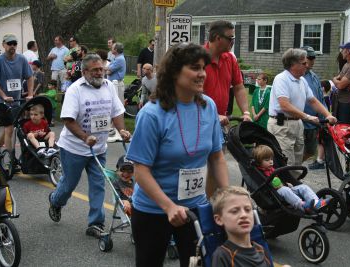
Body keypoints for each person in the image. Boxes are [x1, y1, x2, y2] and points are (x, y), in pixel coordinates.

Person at [126, 43, 229, 267]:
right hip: (153, 209)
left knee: (197, 263)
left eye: (203, 67)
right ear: (174, 72)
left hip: (195, 207)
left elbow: (217, 157)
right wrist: (168, 206)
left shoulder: (208, 106)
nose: (202, 73)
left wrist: (228, 196)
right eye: (194, 67)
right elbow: (141, 171)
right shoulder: (152, 114)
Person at [48, 54, 131, 239]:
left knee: (98, 184)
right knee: (69, 184)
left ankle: (95, 223)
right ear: (85, 72)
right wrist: (85, 137)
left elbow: (117, 112)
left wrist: (122, 131)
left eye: (101, 69)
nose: (100, 72)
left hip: (99, 148)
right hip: (74, 148)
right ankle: (55, 200)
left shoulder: (108, 86)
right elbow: (68, 120)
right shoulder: (75, 90)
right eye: (95, 70)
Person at [203, 20, 251, 198]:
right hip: (198, 120)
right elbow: (192, 93)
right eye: (230, 38)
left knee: (216, 165)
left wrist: (245, 112)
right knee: (191, 168)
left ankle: (210, 205)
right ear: (217, 38)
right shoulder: (199, 57)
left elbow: (238, 87)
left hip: (220, 122)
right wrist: (213, 114)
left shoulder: (230, 58)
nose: (233, 42)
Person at [268, 48, 336, 168]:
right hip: (282, 125)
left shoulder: (302, 80)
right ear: (293, 64)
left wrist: (328, 115)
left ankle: (293, 183)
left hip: (297, 124)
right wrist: (307, 117)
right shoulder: (281, 79)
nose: (307, 65)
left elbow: (313, 100)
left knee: (297, 161)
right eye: (304, 63)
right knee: (286, 161)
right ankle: (285, 184)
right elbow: (284, 105)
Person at [252, 145, 330, 212]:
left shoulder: (272, 169)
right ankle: (303, 206)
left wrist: (286, 184)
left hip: (284, 189)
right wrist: (279, 186)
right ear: (259, 162)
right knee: (284, 190)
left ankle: (317, 203)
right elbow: (267, 184)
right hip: (273, 194)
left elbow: (278, 181)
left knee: (303, 187)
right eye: (267, 160)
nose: (271, 162)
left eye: (271, 159)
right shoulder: (259, 172)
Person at [211, 186, 271, 267]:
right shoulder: (223, 255)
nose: (243, 215)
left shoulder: (261, 249)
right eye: (235, 211)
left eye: (247, 209)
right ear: (219, 219)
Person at [0, 34, 34, 152]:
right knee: (10, 129)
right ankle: (11, 161)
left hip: (16, 100)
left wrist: (30, 94)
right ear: (3, 45)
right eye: (9, 43)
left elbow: (30, 77)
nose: (12, 46)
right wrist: (3, 96)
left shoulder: (21, 59)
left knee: (10, 127)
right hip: (1, 100)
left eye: (14, 43)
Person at [299, 46, 327, 169]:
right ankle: (290, 171)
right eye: (309, 57)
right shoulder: (297, 76)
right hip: (301, 121)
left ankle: (293, 168)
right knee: (296, 150)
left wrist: (326, 115)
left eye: (313, 57)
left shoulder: (314, 76)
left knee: (310, 151)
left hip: (314, 122)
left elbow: (319, 98)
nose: (312, 60)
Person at [331, 42, 350, 124]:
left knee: (346, 129)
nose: (341, 52)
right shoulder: (347, 64)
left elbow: (340, 85)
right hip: (340, 102)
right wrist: (336, 80)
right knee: (339, 128)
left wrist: (338, 82)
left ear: (348, 51)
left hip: (347, 103)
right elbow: (338, 79)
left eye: (342, 50)